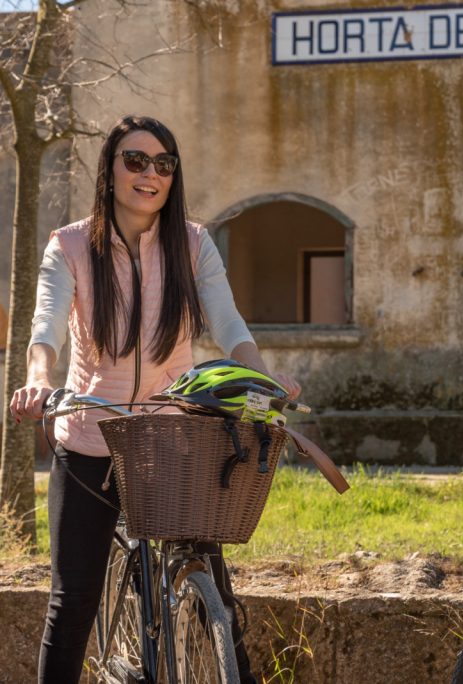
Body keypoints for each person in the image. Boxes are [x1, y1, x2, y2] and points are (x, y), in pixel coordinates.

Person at [8, 115, 299, 684]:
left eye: (163, 164)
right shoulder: (69, 245)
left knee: (218, 601)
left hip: (173, 438)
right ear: (110, 169)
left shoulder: (193, 244)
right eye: (135, 160)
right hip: (92, 436)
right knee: (71, 606)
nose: (150, 174)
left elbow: (229, 324)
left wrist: (263, 380)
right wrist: (39, 382)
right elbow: (45, 331)